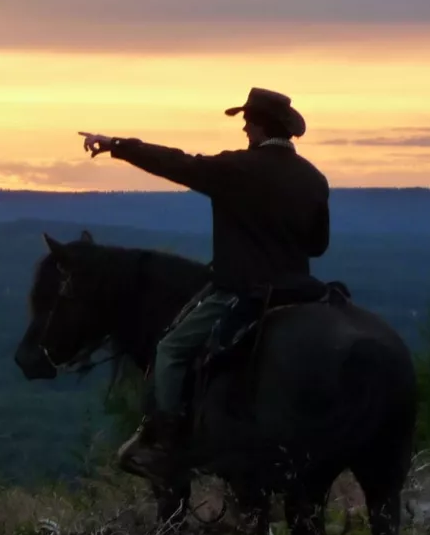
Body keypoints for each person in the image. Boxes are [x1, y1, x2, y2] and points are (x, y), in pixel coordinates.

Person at [78, 87, 331, 484]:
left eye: (248, 120)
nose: (244, 127)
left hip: (244, 289)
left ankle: (166, 441)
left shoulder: (236, 169)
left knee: (171, 349)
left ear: (262, 126)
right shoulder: (314, 178)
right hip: (301, 289)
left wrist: (117, 146)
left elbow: (176, 164)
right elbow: (318, 244)